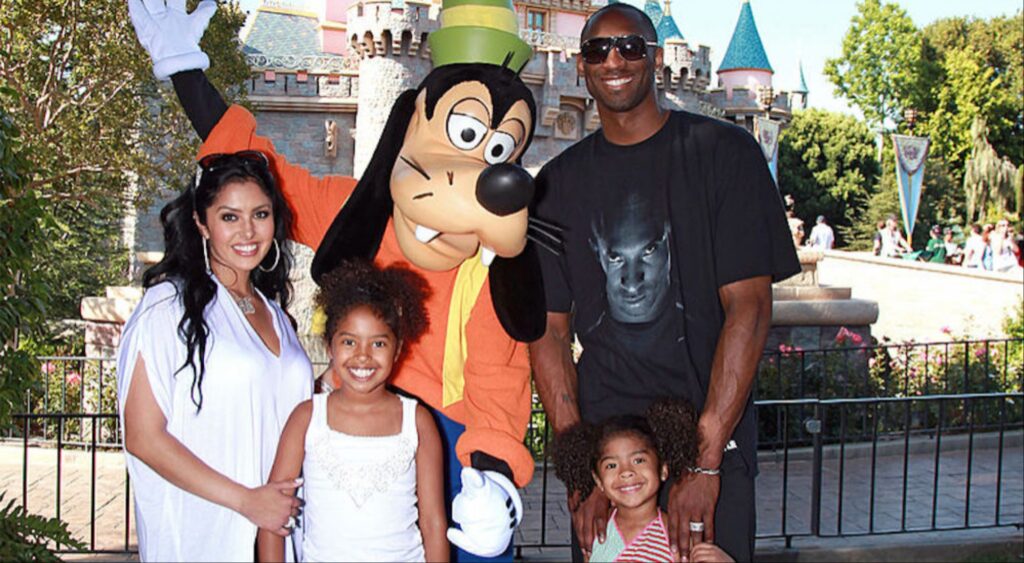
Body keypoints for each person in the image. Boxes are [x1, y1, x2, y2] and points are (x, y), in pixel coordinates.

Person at [528, 4, 800, 562]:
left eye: (630, 46)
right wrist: (584, 472)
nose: (614, 60)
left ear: (655, 58)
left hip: (708, 447)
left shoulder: (725, 155)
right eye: (598, 50)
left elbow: (748, 308)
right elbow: (549, 334)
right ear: (580, 66)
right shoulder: (556, 186)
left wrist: (705, 461)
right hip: (613, 465)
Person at [116, 151, 313, 561]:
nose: (248, 231)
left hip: (280, 537)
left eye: (260, 214)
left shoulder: (276, 315)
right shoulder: (167, 306)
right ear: (201, 223)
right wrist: (246, 500)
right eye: (229, 217)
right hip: (205, 532)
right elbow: (143, 437)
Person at [257, 261, 447, 562]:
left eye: (378, 344)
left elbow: (434, 522)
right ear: (329, 347)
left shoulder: (418, 421)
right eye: (349, 341)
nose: (362, 356)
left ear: (397, 351)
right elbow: (272, 515)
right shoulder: (307, 419)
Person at [551, 399, 733, 563]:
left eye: (638, 460)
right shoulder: (597, 534)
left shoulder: (676, 537)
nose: (626, 472)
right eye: (612, 465)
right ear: (598, 481)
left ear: (663, 469)